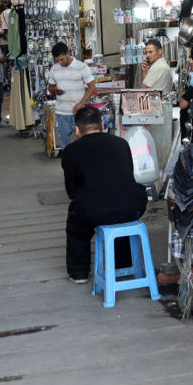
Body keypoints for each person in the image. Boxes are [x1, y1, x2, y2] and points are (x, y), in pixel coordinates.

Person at [60, 104, 147, 283]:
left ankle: (79, 273)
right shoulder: (121, 143)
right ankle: (123, 265)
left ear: (77, 130)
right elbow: (127, 176)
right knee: (118, 211)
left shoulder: (71, 151)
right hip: (133, 207)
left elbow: (72, 191)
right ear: (102, 124)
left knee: (77, 225)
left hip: (96, 210)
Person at [48, 41, 96, 149]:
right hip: (61, 113)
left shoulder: (82, 67)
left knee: (84, 145)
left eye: (61, 59)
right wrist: (55, 91)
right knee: (66, 147)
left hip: (78, 113)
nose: (60, 62)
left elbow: (92, 87)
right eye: (57, 60)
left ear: (68, 54)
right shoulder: (54, 69)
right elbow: (50, 88)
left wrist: (81, 104)